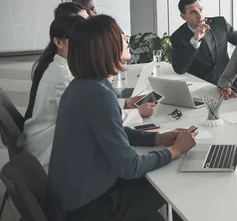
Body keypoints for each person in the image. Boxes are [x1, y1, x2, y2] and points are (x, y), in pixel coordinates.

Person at [47, 15, 196, 221]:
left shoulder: (84, 85)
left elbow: (112, 131)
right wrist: (175, 150)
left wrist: (157, 138)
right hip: (92, 211)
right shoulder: (98, 93)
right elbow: (130, 167)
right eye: (120, 35)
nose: (126, 38)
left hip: (79, 199)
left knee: (162, 177)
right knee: (174, 181)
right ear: (105, 47)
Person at [18, 15, 154, 169]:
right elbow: (97, 117)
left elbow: (95, 112)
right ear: (58, 42)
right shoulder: (64, 77)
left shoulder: (69, 72)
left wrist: (127, 103)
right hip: (50, 151)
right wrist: (137, 113)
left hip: (59, 147)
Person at [170, 0, 237, 93]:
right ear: (183, 16)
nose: (199, 15)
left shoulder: (220, 23)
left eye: (200, 10)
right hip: (202, 86)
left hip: (230, 81)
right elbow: (179, 69)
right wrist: (195, 40)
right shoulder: (178, 37)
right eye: (193, 12)